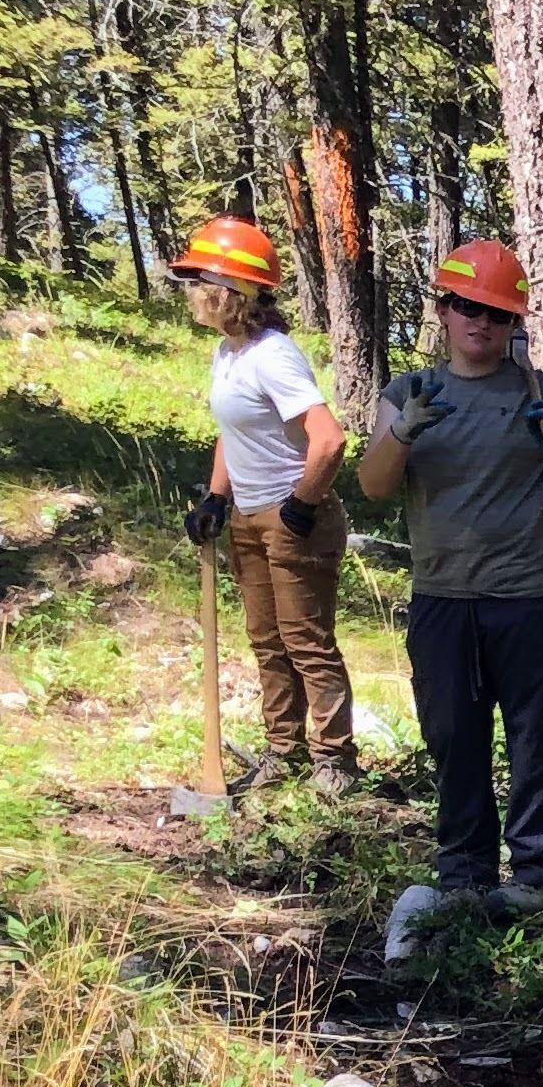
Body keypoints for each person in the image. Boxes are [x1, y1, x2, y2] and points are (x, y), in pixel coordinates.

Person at [357, 238, 543, 921]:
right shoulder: (409, 392)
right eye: (466, 306)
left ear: (514, 322)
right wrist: (402, 432)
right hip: (442, 596)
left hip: (530, 594)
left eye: (496, 313)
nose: (480, 323)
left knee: (536, 738)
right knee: (454, 736)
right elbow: (373, 486)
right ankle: (463, 875)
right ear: (443, 309)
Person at [177, 214, 355, 799]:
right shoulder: (227, 355)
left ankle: (335, 760)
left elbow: (328, 437)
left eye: (197, 281)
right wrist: (216, 496)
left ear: (229, 292)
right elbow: (232, 432)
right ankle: (284, 751)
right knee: (266, 638)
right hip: (249, 517)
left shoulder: (273, 355)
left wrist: (301, 506)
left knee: (306, 639)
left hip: (293, 514)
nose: (190, 292)